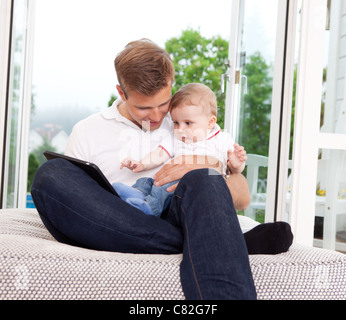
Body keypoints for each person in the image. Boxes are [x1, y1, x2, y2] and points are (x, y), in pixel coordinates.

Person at [31, 39, 292, 300]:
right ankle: (220, 242)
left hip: (178, 210)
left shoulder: (186, 120)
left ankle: (205, 239)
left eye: (163, 104)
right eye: (144, 107)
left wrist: (209, 164)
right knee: (51, 175)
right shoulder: (87, 131)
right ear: (122, 93)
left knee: (204, 176)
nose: (157, 117)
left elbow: (243, 197)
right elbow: (76, 206)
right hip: (116, 215)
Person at [112, 83, 247, 217]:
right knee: (147, 181)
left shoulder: (222, 140)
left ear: (210, 122)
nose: (180, 129)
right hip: (166, 178)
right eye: (176, 122)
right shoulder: (176, 137)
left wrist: (236, 165)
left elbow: (233, 170)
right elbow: (160, 153)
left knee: (166, 188)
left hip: (186, 187)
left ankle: (150, 208)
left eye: (188, 123)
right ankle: (137, 193)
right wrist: (141, 164)